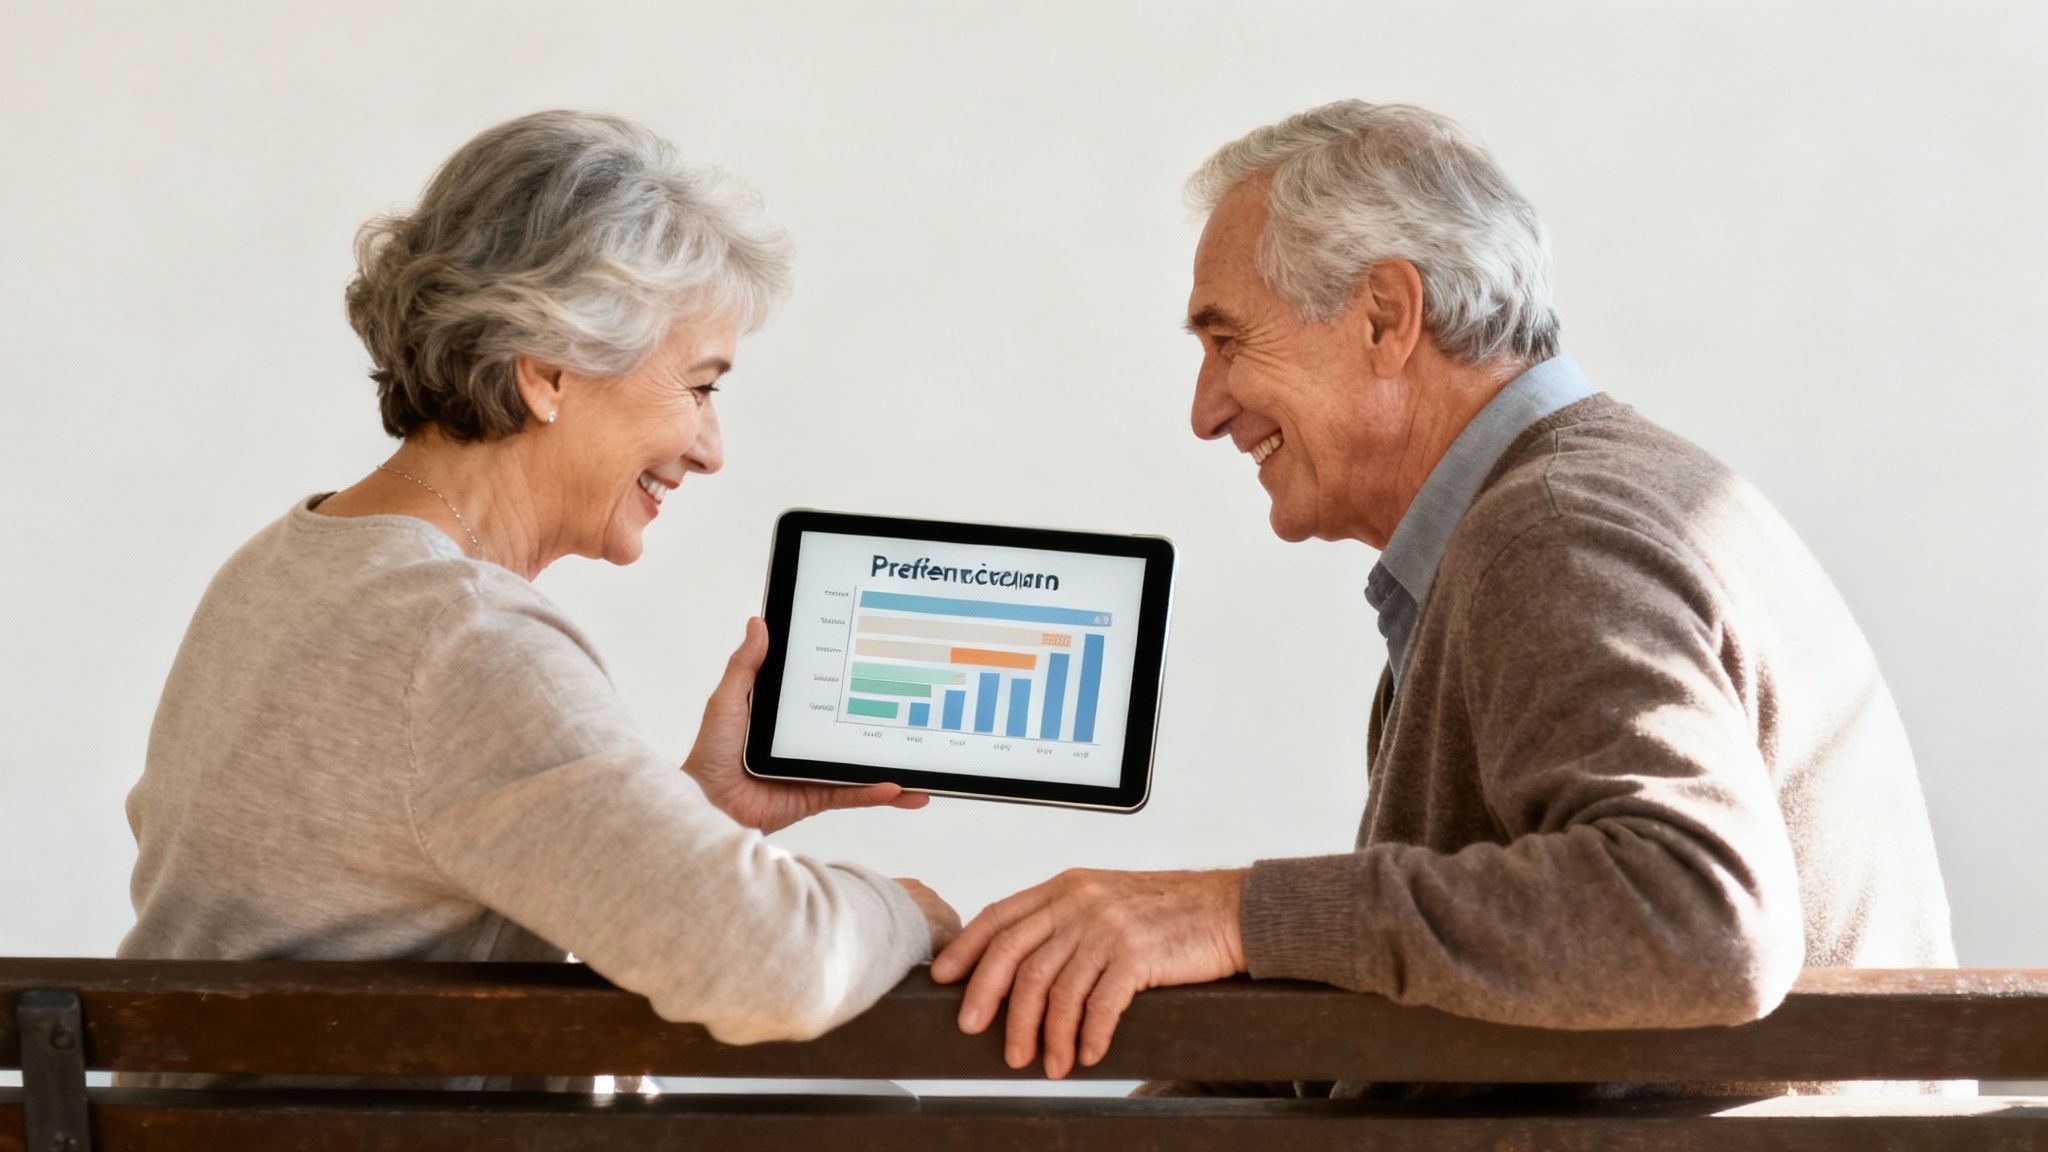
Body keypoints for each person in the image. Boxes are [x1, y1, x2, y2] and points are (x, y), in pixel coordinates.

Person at [931, 101, 1957, 1092]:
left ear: (1385, 316)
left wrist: (1232, 914)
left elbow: (1696, 916)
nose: (1205, 412)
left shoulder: (1550, 531)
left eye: (1228, 341)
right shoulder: (1568, 507)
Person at [119, 111, 960, 1071]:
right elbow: (777, 966)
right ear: (549, 372)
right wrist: (906, 912)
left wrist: (696, 817)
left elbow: (404, 868)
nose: (711, 450)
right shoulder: (461, 640)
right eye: (700, 387)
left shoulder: (285, 568)